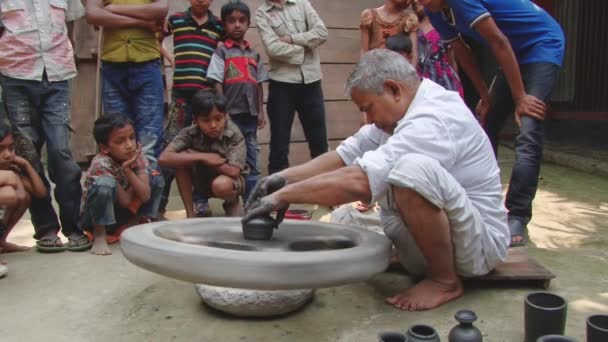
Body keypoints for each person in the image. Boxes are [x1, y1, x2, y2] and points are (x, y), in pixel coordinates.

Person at [244, 50, 509, 311]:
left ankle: (444, 281)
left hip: (478, 247)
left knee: (410, 170)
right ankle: (426, 260)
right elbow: (342, 157)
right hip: (449, 236)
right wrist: (281, 178)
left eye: (368, 109)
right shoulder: (398, 116)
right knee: (343, 219)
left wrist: (283, 196)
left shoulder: (435, 117)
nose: (368, 119)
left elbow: (359, 181)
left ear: (394, 89)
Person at [420, 0, 565, 246]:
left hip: (541, 44)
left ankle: (518, 214)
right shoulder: (433, 11)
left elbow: (498, 41)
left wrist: (520, 98)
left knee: (528, 127)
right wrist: (486, 96)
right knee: (485, 124)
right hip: (511, 50)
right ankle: (482, 201)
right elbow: (463, 53)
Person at [0, 0, 92, 252]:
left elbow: (70, 26)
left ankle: (74, 226)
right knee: (28, 153)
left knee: (60, 151)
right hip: (15, 75)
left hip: (57, 73)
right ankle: (46, 229)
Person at [158, 0, 224, 217]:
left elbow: (226, 54)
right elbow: (155, 40)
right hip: (181, 98)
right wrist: (171, 59)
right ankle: (160, 202)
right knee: (171, 145)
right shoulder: (176, 20)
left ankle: (201, 200)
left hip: (206, 99)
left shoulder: (218, 25)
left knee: (203, 148)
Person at [85, 0, 168, 173]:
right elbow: (93, 14)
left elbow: (161, 9)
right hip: (113, 65)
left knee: (149, 141)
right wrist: (142, 22)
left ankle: (147, 197)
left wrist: (113, 9)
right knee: (118, 137)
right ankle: (126, 196)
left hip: (147, 64)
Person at [255, 0, 329, 175]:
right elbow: (272, 48)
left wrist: (291, 39)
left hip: (311, 82)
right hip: (281, 85)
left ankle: (327, 193)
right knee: (279, 146)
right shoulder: (262, 13)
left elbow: (321, 33)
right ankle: (276, 198)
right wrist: (305, 49)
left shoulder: (302, 3)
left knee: (319, 143)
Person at [207, 0, 268, 202]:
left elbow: (258, 84)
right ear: (224, 24)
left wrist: (261, 111)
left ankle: (253, 202)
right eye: (231, 21)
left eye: (242, 20)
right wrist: (222, 112)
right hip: (230, 117)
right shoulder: (221, 51)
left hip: (250, 116)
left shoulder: (254, 54)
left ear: (248, 23)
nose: (237, 25)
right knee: (232, 158)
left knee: (253, 158)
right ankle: (230, 200)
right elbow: (216, 81)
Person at [81, 114, 163, 256]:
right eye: (120, 141)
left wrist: (129, 172)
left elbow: (145, 195)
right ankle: (99, 235)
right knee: (106, 184)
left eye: (131, 137)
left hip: (120, 213)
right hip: (95, 216)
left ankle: (140, 222)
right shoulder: (101, 163)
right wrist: (129, 171)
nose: (130, 145)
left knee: (154, 175)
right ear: (104, 148)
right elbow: (125, 201)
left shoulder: (135, 155)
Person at [158, 89, 248, 218]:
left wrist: (208, 161)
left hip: (227, 182)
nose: (213, 125)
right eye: (206, 120)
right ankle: (190, 213)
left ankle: (231, 202)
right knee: (180, 162)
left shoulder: (233, 133)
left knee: (221, 185)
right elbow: (163, 158)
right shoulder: (189, 132)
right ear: (196, 121)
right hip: (200, 180)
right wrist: (203, 157)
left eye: (218, 119)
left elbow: (233, 171)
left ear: (225, 116)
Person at [0, 124, 47, 257]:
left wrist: (25, 165)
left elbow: (40, 193)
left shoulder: (11, 169)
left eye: (11, 148)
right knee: (11, 194)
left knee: (25, 196)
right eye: (0, 149)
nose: (8, 155)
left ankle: (1, 241)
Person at [412, 1, 463, 97]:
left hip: (445, 78)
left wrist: (456, 80)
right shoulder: (411, 28)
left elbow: (451, 57)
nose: (415, 1)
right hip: (424, 83)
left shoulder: (440, 19)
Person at [360, 0, 418, 64]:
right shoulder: (369, 16)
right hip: (374, 69)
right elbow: (364, 51)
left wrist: (410, 73)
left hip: (398, 69)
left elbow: (413, 54)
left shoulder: (409, 20)